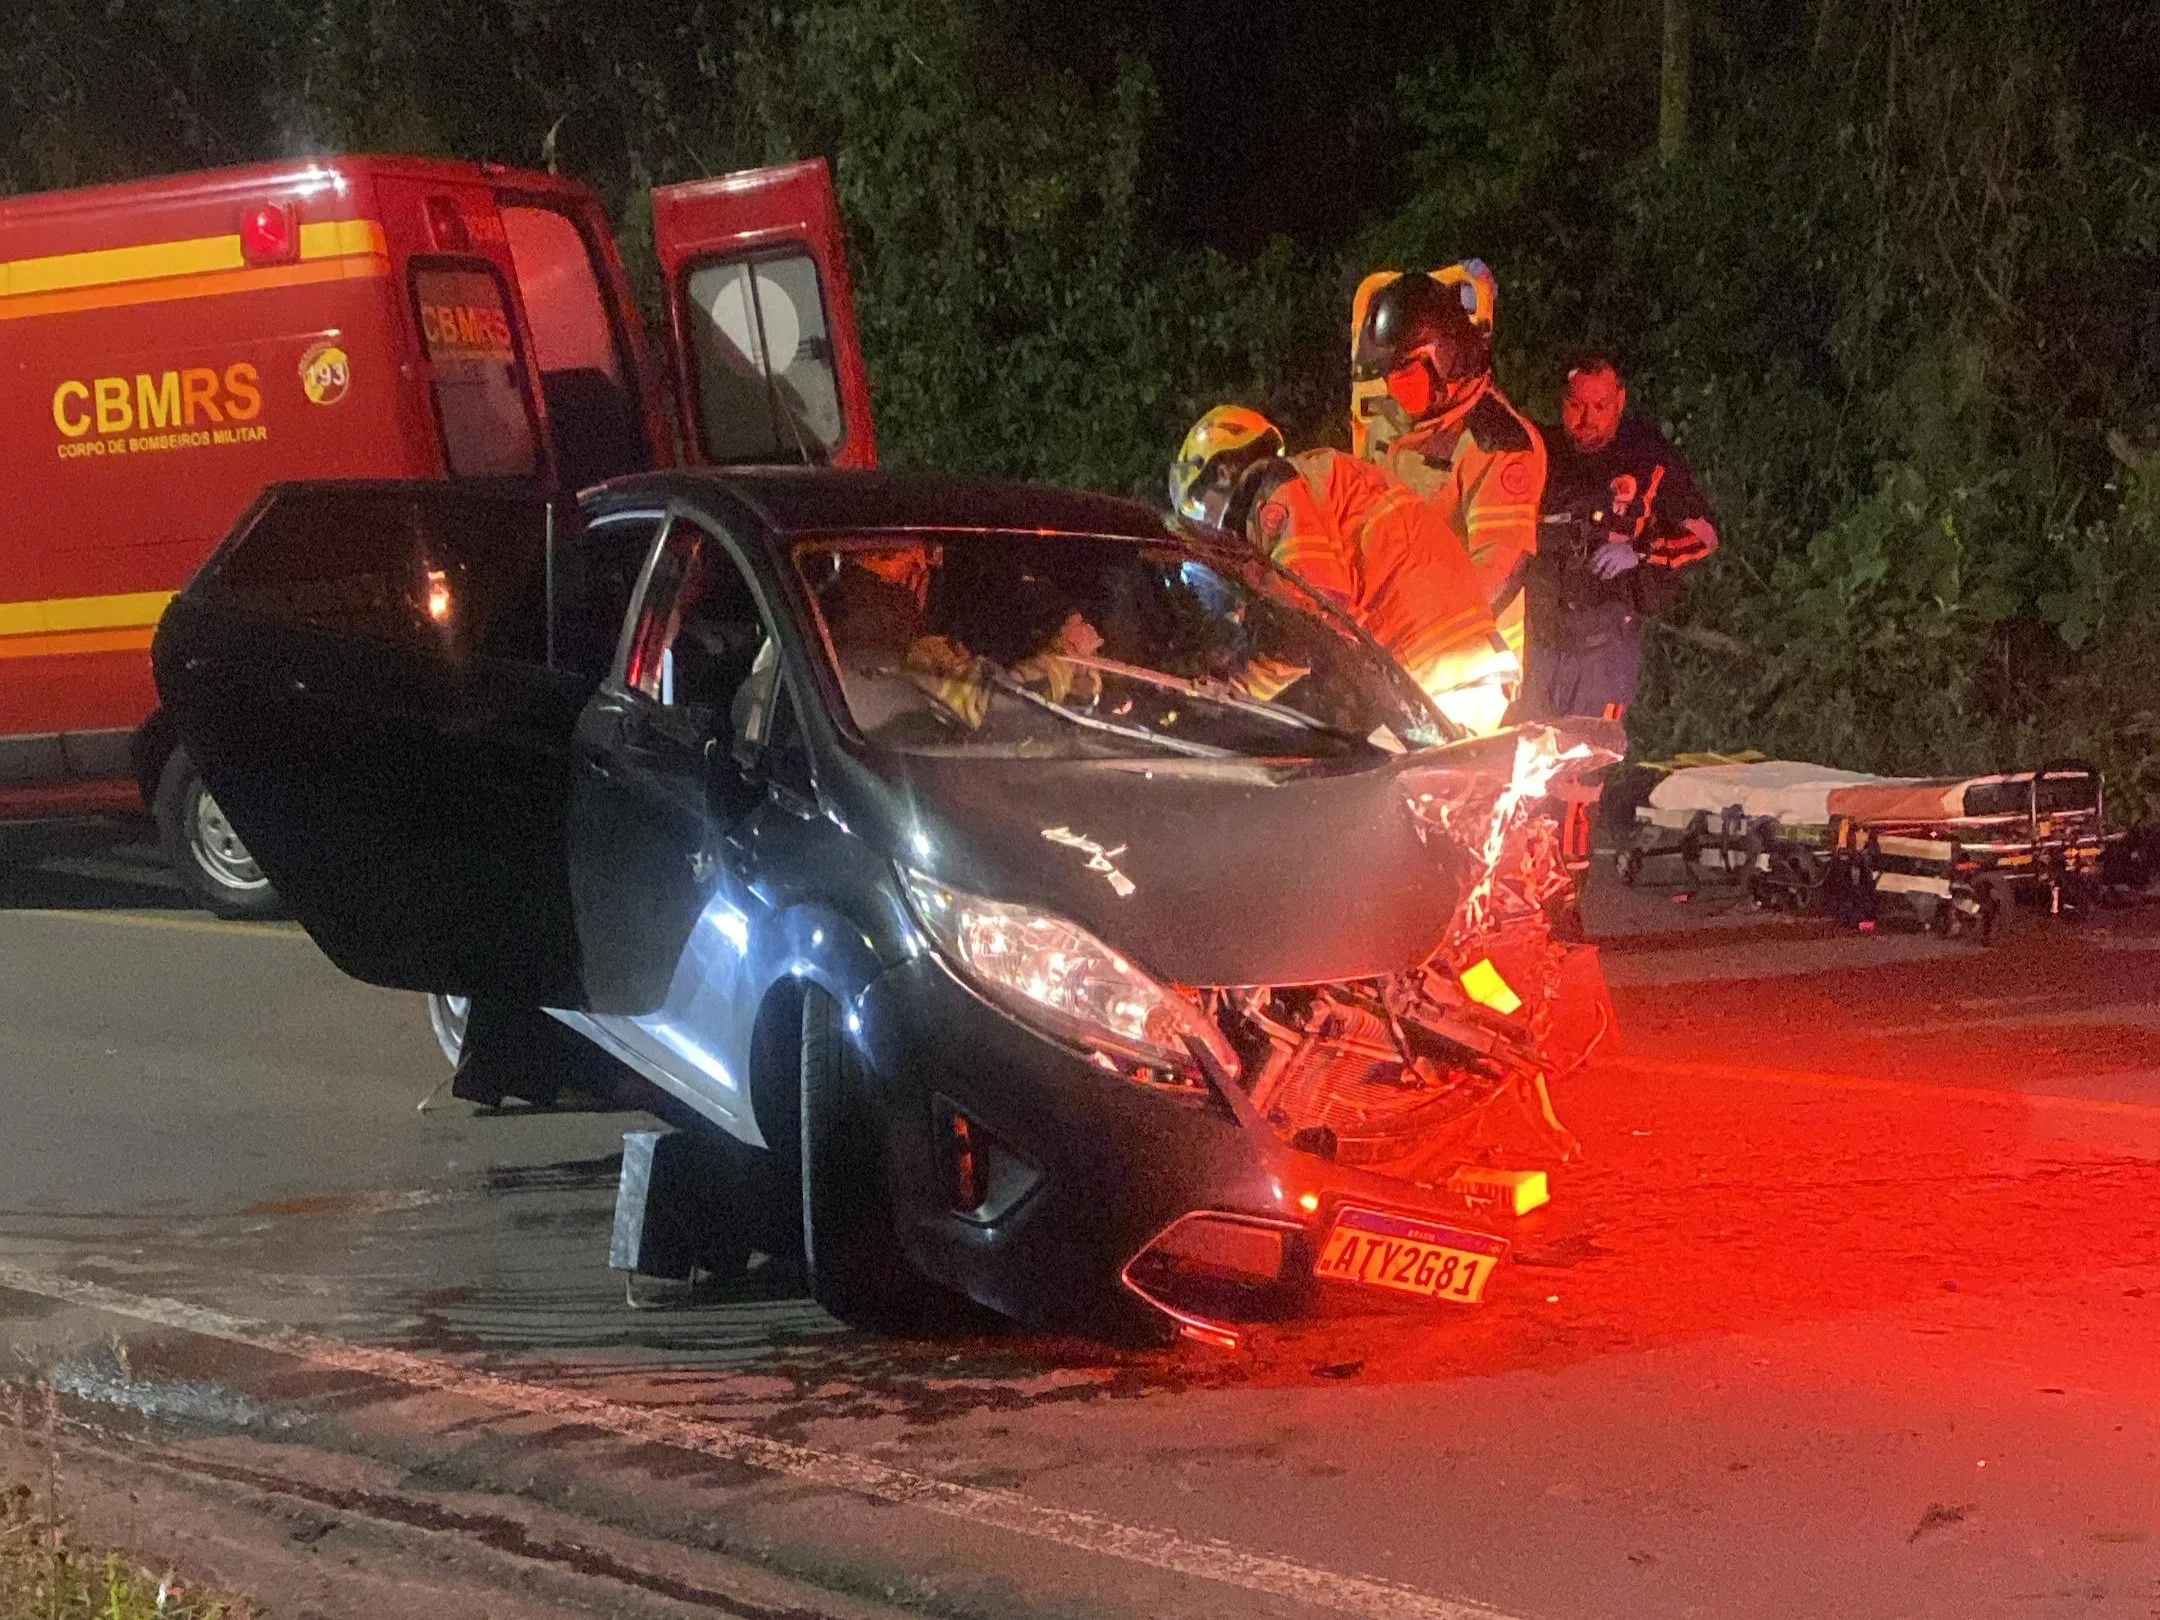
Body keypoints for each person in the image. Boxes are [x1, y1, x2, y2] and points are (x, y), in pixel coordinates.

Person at [1169, 405, 1517, 733]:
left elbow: (1307, 619)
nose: (1220, 535)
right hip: (1455, 671)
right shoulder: (1320, 476)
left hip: (1432, 681)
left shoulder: (1280, 492)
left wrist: (1233, 690)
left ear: (1221, 476)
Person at [1515, 352, 1719, 726]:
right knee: (1522, 753)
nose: (1587, 419)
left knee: (1587, 760)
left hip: (1604, 645)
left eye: (1600, 406)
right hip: (1535, 639)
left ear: (1620, 402)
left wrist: (1637, 551)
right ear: (1562, 403)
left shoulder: (1647, 456)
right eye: (1576, 406)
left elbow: (1704, 536)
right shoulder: (1538, 451)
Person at [1353, 272, 1547, 662]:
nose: (1395, 391)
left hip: (1463, 657)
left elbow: (1496, 571)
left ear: (1445, 359)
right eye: (1390, 378)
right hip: (1387, 640)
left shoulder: (1497, 444)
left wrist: (1420, 632)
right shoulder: (1392, 421)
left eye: (1405, 377)